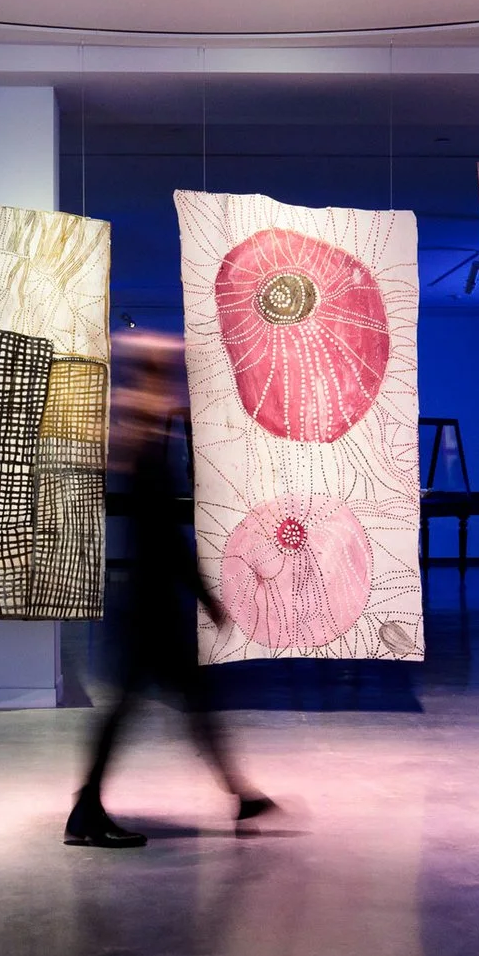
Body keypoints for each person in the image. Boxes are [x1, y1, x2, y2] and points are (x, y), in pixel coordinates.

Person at [67, 338, 273, 848]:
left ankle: (239, 796)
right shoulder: (143, 442)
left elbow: (159, 532)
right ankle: (87, 811)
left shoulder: (140, 436)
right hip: (150, 610)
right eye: (164, 374)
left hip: (149, 604)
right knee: (144, 709)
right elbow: (162, 533)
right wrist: (205, 595)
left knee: (188, 703)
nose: (172, 387)